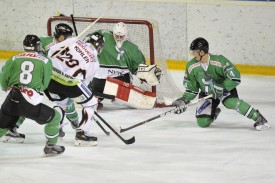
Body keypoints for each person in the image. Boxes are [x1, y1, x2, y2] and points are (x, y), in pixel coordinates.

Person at [172, 37, 271, 131]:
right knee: (202, 123)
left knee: (230, 102)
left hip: (224, 90)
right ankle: (213, 112)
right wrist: (184, 100)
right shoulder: (191, 66)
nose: (193, 54)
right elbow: (192, 88)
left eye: (194, 51)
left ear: (202, 51)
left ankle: (258, 117)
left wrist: (222, 88)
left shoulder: (219, 60)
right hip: (207, 94)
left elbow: (235, 77)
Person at [3, 23, 79, 142]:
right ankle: (14, 127)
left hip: (58, 79)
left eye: (70, 36)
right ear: (59, 35)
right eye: (66, 36)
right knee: (27, 103)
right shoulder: (44, 41)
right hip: (41, 78)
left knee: (66, 101)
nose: (68, 38)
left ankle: (74, 123)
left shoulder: (70, 46)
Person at [0, 35, 64, 155]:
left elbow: (3, 78)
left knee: (2, 125)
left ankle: (11, 128)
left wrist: (7, 89)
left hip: (11, 98)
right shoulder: (45, 61)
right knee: (55, 117)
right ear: (38, 45)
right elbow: (44, 85)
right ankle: (51, 146)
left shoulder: (14, 58)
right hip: (29, 104)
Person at [46, 32, 105, 146]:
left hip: (51, 77)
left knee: (60, 104)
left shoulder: (74, 40)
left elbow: (51, 51)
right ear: (99, 47)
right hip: (70, 82)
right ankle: (82, 134)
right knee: (91, 102)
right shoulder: (94, 61)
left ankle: (56, 133)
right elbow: (84, 83)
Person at [89, 22, 161, 108]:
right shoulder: (103, 36)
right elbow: (88, 42)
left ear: (126, 35)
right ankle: (97, 98)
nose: (119, 38)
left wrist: (146, 75)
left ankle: (113, 96)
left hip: (121, 80)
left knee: (121, 98)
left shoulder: (132, 48)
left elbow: (138, 67)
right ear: (113, 33)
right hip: (100, 78)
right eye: (117, 36)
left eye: (121, 36)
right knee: (92, 96)